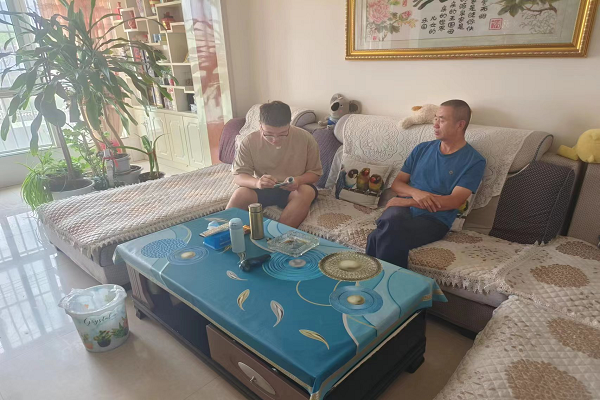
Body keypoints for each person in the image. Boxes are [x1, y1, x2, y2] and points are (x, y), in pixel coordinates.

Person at [366, 100, 486, 268]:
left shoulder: (474, 161)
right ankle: (391, 282)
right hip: (400, 212)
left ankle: (371, 277)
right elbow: (398, 184)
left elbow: (454, 201)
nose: (435, 124)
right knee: (392, 223)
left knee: (378, 236)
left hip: (434, 220)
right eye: (435, 118)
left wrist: (407, 201)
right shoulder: (422, 149)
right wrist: (417, 193)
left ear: (460, 124)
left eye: (442, 120)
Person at [227, 101, 323, 228]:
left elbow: (315, 173)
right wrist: (257, 183)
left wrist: (298, 180)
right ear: (260, 125)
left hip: (294, 189)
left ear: (289, 124)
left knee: (306, 192)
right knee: (240, 194)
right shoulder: (249, 141)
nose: (275, 140)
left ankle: (279, 235)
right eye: (268, 134)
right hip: (263, 188)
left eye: (282, 134)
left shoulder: (306, 138)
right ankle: (223, 232)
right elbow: (239, 177)